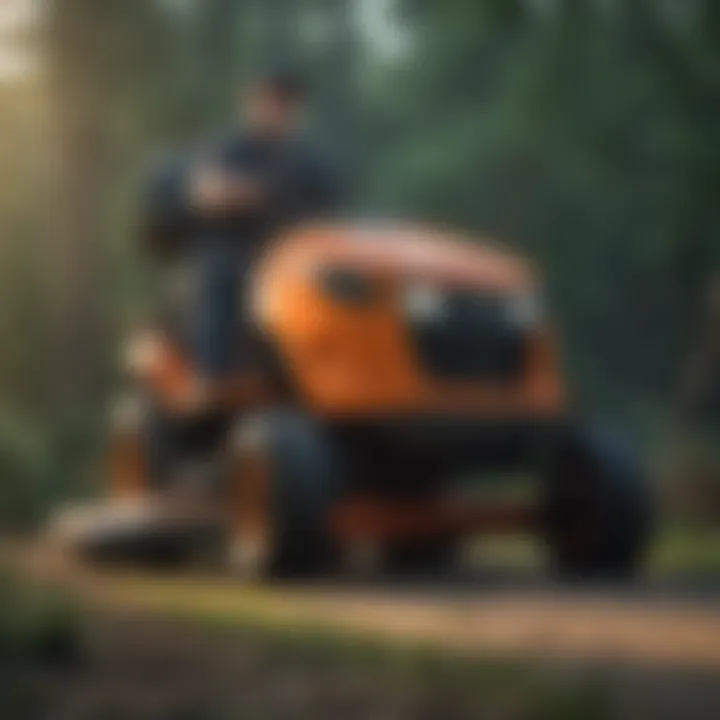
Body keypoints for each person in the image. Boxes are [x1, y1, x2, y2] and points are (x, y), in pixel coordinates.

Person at [144, 69, 343, 383]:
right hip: (238, 250)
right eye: (272, 100)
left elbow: (332, 212)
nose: (279, 110)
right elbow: (205, 193)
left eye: (286, 103)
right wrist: (239, 194)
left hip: (296, 257)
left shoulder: (310, 161)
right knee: (221, 270)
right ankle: (215, 374)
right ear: (252, 103)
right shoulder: (229, 149)